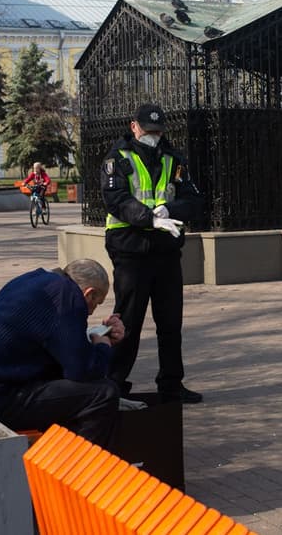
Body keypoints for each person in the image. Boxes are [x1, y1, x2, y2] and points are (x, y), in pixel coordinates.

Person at [0, 259, 125, 446]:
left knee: (67, 387)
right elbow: (82, 370)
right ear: (89, 293)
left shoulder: (37, 279)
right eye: (96, 303)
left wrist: (92, 342)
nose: (91, 312)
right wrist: (103, 345)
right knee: (103, 393)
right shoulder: (67, 297)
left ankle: (59, 451)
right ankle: (82, 461)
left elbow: (61, 347)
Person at [101, 103, 204, 403]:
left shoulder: (174, 159)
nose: (153, 136)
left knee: (170, 323)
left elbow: (193, 199)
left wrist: (170, 209)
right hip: (130, 250)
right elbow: (116, 199)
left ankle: (171, 384)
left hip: (165, 251)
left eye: (158, 131)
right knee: (128, 321)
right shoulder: (117, 158)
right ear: (134, 126)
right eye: (148, 130)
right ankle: (113, 384)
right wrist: (149, 218)